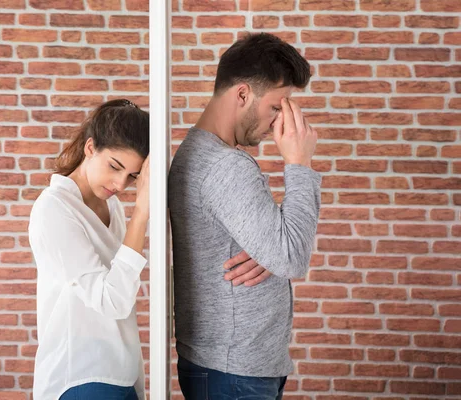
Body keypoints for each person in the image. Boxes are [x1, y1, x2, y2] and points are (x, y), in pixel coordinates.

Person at [168, 32, 322, 399]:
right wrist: (299, 163)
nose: (279, 123)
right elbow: (292, 257)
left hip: (230, 365)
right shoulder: (226, 167)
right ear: (242, 94)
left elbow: (279, 252)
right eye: (276, 107)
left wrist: (270, 250)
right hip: (233, 371)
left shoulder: (202, 154)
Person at [29, 99, 150, 400]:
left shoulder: (112, 206)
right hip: (82, 375)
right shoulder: (54, 208)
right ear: (90, 147)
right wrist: (142, 214)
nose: (121, 184)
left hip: (121, 374)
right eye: (115, 167)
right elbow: (112, 301)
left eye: (133, 176)